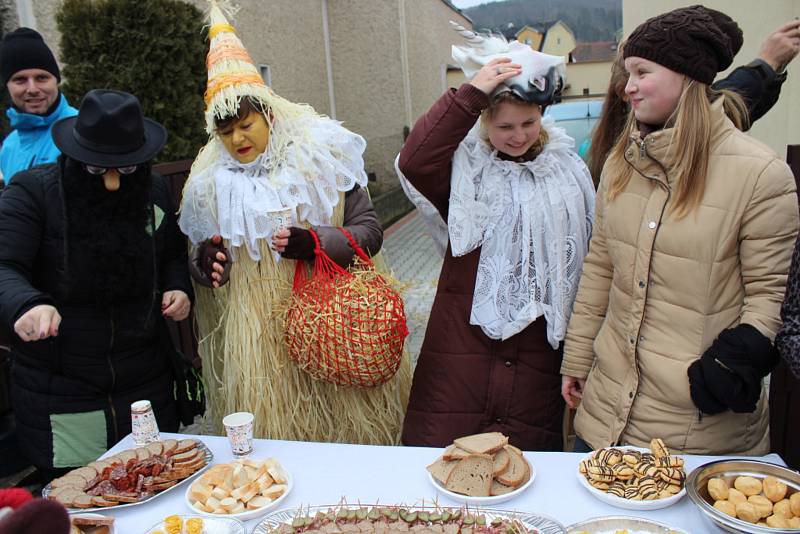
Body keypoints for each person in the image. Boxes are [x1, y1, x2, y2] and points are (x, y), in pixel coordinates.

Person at [560, 5, 799, 455]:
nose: (627, 86)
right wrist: (577, 357)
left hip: (697, 427)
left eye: (641, 71)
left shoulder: (761, 174)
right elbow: (600, 269)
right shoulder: (621, 163)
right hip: (605, 415)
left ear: (685, 75)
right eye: (627, 72)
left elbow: (774, 298)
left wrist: (731, 366)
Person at [178, 4, 411, 444]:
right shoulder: (211, 186)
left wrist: (317, 243)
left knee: (345, 434)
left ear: (268, 115)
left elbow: (370, 232)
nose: (238, 141)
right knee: (280, 443)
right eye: (226, 133)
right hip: (262, 344)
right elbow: (202, 266)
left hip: (331, 324)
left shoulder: (320, 160)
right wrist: (205, 264)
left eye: (246, 126)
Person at [396, 25, 595, 450]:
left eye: (529, 121)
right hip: (462, 353)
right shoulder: (465, 171)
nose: (519, 135)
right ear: (485, 120)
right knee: (444, 471)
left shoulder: (566, 170)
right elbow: (415, 160)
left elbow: (584, 255)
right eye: (505, 125)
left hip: (537, 354)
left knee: (522, 472)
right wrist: (470, 94)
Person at [0, 89, 192, 478]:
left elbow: (170, 253)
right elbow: (4, 265)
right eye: (95, 169)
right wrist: (26, 304)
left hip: (146, 384)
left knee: (156, 483)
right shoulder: (33, 194)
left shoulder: (152, 192)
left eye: (125, 169)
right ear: (74, 158)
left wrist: (178, 287)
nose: (110, 183)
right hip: (65, 392)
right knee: (85, 495)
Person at [587, 18, 800, 184]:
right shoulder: (616, 164)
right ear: (623, 93)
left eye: (643, 72)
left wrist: (767, 64)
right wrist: (767, 62)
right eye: (637, 72)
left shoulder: (762, 171)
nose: (632, 87)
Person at [0, 28, 77, 186]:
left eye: (41, 78)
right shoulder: (9, 146)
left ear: (56, 80)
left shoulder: (81, 132)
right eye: (20, 80)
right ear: (7, 85)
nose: (33, 89)